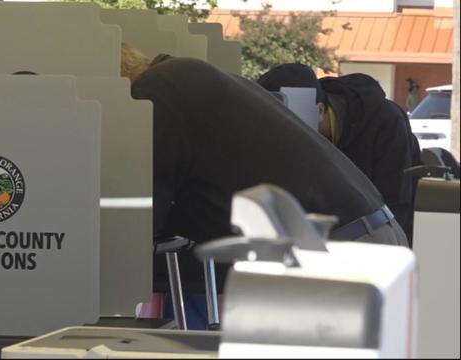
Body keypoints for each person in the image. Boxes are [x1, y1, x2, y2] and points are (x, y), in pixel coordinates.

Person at [122, 45, 408, 324]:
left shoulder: (156, 93)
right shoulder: (183, 77)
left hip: (336, 251)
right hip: (359, 237)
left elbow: (144, 214)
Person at [258, 63, 420, 246]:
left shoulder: (385, 121)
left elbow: (397, 202)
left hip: (386, 231)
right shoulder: (308, 124)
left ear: (319, 111)